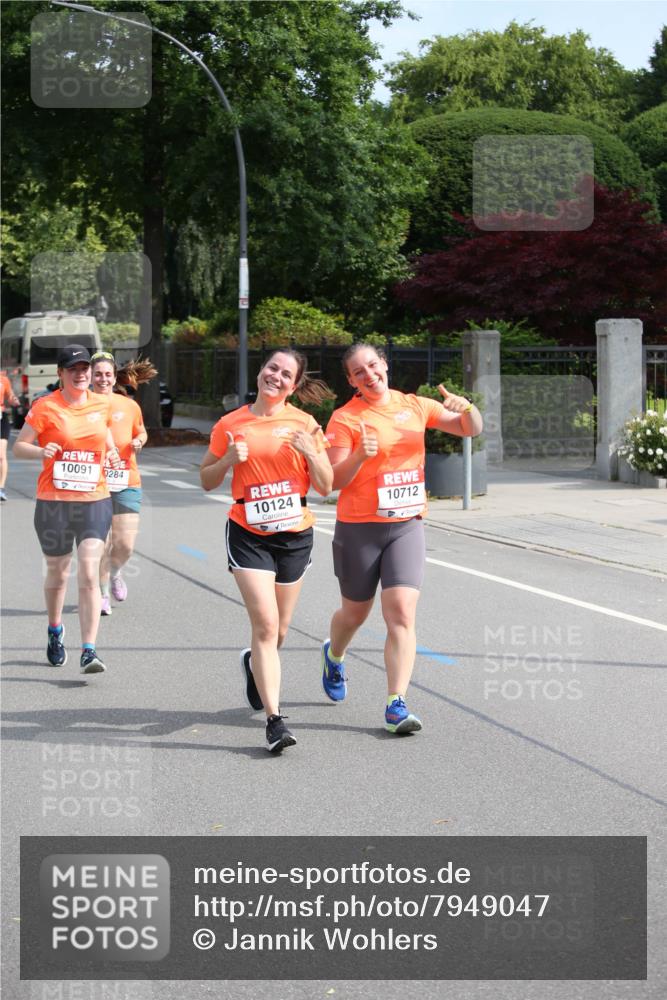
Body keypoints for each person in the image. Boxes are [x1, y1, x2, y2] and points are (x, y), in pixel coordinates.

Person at [321, 343, 483, 734]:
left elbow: (468, 429)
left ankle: (396, 702)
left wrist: (468, 409)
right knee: (354, 615)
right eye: (358, 372)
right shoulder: (345, 418)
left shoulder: (416, 405)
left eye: (372, 365)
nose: (369, 374)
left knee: (401, 613)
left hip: (406, 524)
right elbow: (332, 481)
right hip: (359, 527)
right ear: (351, 380)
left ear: (385, 364)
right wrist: (359, 455)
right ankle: (334, 654)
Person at [200, 350, 334, 753]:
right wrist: (227, 459)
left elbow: (327, 485)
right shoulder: (231, 423)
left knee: (281, 629)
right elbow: (207, 480)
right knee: (265, 624)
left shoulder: (305, 424)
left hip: (294, 534)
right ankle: (275, 721)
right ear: (261, 373)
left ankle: (253, 664)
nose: (276, 376)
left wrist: (310, 452)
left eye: (285, 373)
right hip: (248, 532)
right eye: (271, 368)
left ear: (293, 386)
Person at [12, 344, 121, 674]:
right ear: (60, 374)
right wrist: (42, 450)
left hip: (94, 501)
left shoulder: (103, 405)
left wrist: (113, 454)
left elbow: (107, 439)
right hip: (54, 503)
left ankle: (89, 649)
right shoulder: (45, 407)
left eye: (84, 367)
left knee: (89, 571)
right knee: (58, 574)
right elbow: (19, 447)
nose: (81, 373)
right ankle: (55, 630)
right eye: (73, 368)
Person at [90, 352, 154, 615]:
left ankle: (115, 573)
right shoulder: (82, 405)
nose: (103, 379)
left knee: (125, 544)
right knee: (102, 543)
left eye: (107, 374)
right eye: (98, 374)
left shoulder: (128, 405)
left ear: (115, 377)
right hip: (94, 483)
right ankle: (102, 594)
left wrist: (140, 440)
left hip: (127, 480)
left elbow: (141, 430)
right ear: (90, 377)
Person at [0, 368, 20, 501]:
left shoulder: (3, 380)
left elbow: (10, 396)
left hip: (1, 419)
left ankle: (1, 489)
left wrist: (14, 400)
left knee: (1, 456)